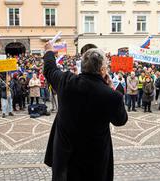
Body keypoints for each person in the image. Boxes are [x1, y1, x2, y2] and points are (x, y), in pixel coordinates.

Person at [43, 44, 127, 181]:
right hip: (94, 160)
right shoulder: (112, 96)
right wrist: (112, 89)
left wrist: (49, 52)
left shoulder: (66, 82)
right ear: (103, 69)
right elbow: (120, 120)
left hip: (66, 158)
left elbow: (50, 69)